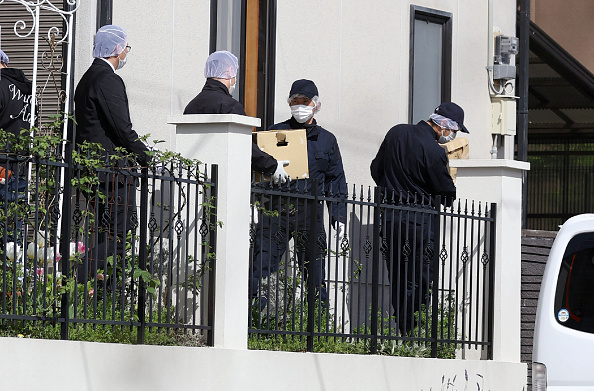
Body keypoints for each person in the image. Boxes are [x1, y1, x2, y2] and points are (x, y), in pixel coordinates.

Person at [370, 102, 469, 334]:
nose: (452, 136)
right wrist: (449, 190)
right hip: (420, 221)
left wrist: (392, 190)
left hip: (392, 217)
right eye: (454, 130)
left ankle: (403, 326)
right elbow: (445, 192)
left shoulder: (396, 133)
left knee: (397, 274)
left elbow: (376, 169)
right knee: (420, 277)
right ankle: (415, 329)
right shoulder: (434, 151)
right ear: (444, 125)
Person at [250, 79, 347, 309]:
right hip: (275, 209)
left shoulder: (327, 140)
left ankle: (318, 326)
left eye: (305, 102)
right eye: (295, 101)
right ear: (289, 103)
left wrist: (339, 216)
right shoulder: (275, 133)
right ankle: (254, 318)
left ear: (316, 104)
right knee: (262, 267)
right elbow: (255, 166)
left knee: (314, 273)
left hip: (309, 212)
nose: (300, 106)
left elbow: (336, 180)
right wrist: (254, 203)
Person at [74, 25, 149, 282]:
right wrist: (146, 158)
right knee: (120, 235)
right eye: (125, 48)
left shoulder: (86, 79)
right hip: (112, 173)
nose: (126, 54)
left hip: (93, 170)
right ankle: (76, 281)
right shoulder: (108, 79)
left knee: (107, 233)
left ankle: (103, 296)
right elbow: (122, 128)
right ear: (117, 50)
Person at [183, 50, 289, 183]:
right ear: (229, 71)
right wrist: (272, 166)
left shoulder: (192, 105)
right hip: (225, 178)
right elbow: (243, 145)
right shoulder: (230, 105)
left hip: (195, 178)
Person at [0, 49, 34, 243]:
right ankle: (15, 271)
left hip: (2, 165)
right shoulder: (27, 89)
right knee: (14, 227)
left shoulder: (1, 87)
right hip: (21, 165)